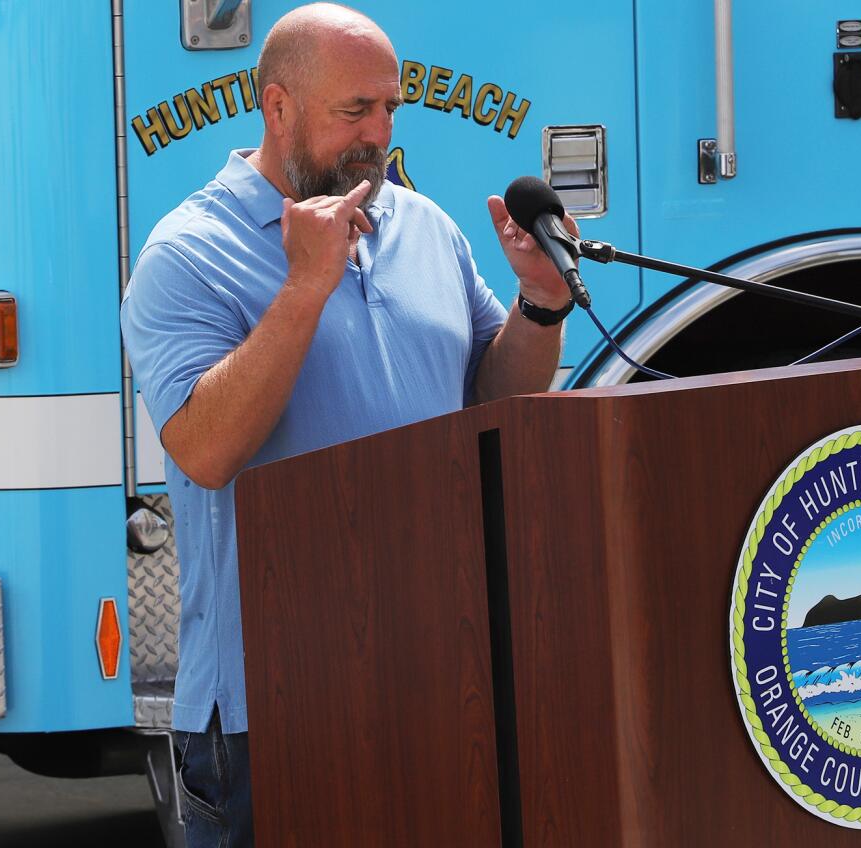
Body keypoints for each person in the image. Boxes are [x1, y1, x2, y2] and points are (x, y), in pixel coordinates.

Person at [120, 4, 576, 845]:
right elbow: (205, 450)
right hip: (273, 708)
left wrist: (540, 307)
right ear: (279, 107)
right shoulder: (188, 256)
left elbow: (490, 397)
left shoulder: (426, 228)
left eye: (390, 108)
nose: (378, 134)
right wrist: (303, 288)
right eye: (353, 112)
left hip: (436, 677)